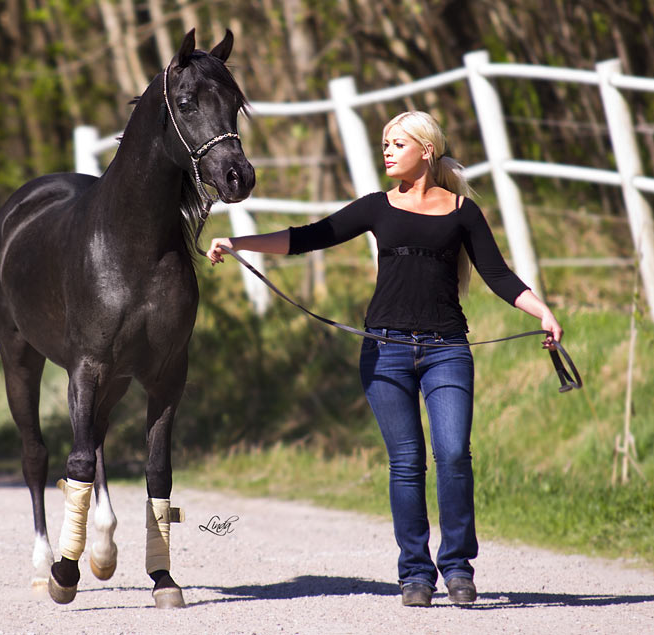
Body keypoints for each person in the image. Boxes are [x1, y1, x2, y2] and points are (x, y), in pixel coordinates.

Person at [206, 111, 563, 607]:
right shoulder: (377, 207)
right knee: (407, 463)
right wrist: (239, 242)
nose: (388, 151)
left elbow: (498, 276)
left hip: (447, 351)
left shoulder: (463, 212)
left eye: (398, 143)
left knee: (454, 455)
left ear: (427, 150)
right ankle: (415, 574)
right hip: (385, 352)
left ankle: (458, 568)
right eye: (385, 143)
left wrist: (541, 310)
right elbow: (312, 235)